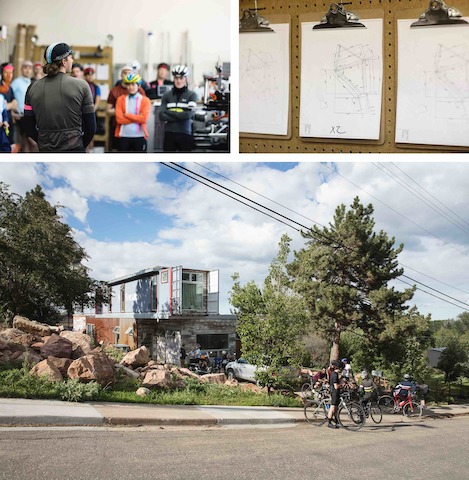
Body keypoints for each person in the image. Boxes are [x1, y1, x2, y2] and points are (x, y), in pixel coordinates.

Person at [23, 42, 96, 152]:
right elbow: (91, 127)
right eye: (71, 57)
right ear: (64, 61)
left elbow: (28, 126)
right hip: (75, 148)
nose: (72, 61)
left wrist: (43, 141)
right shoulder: (82, 86)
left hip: (46, 149)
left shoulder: (32, 88)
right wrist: (80, 146)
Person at [159, 64, 197, 152]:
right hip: (169, 134)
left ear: (186, 79)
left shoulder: (192, 95)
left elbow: (188, 116)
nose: (178, 81)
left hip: (185, 133)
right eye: (176, 78)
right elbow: (161, 116)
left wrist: (168, 112)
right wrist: (180, 114)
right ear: (173, 79)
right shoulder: (166, 95)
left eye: (181, 78)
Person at [115, 73, 150, 153]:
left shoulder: (145, 100)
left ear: (139, 86)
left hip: (140, 135)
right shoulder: (120, 99)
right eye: (129, 85)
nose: (131, 87)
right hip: (123, 135)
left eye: (133, 84)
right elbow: (119, 119)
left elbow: (144, 119)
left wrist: (126, 115)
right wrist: (137, 118)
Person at [10, 60, 37, 152]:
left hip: (30, 116)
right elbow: (9, 96)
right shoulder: (16, 82)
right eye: (25, 67)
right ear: (21, 69)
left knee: (31, 142)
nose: (27, 70)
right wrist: (12, 112)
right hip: (19, 116)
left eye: (29, 68)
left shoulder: (32, 82)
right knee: (22, 142)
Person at [0, 63, 18, 151]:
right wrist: (8, 105)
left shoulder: (9, 88)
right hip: (2, 123)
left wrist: (8, 105)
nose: (9, 75)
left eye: (11, 73)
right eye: (6, 72)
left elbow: (15, 104)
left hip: (10, 122)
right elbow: (2, 107)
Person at [327, 360, 344, 429]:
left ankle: (337, 421)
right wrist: (341, 385)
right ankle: (329, 422)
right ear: (339, 368)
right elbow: (336, 386)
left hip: (336, 393)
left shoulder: (336, 374)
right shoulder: (334, 374)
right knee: (332, 407)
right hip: (334, 392)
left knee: (336, 408)